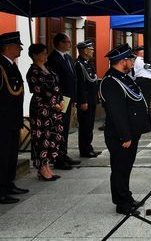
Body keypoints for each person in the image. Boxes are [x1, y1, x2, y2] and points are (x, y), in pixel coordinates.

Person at [100, 44, 151, 216]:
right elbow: (117, 113)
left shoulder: (124, 77)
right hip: (120, 135)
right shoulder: (110, 82)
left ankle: (126, 197)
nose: (132, 61)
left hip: (131, 131)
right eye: (130, 59)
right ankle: (122, 203)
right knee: (120, 169)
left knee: (126, 167)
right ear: (122, 61)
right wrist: (125, 136)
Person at [26, 43, 65, 181]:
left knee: (52, 137)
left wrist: (61, 101)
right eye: (43, 53)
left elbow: (57, 86)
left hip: (54, 109)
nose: (45, 55)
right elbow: (41, 91)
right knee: (41, 138)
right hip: (41, 109)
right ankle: (41, 168)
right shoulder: (33, 71)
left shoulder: (48, 68)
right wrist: (53, 103)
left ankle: (47, 165)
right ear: (35, 55)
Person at [0, 31, 28, 204]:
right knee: (2, 156)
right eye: (18, 46)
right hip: (2, 121)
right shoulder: (1, 66)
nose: (20, 49)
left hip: (13, 119)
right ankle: (1, 190)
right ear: (8, 47)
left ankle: (9, 183)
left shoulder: (11, 65)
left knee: (11, 155)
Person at [46, 33, 79, 170]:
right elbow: (55, 81)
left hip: (68, 98)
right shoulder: (53, 59)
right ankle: (58, 158)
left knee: (65, 127)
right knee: (59, 127)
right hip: (61, 98)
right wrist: (59, 99)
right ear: (60, 43)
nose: (70, 44)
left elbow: (73, 79)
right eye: (67, 42)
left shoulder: (68, 57)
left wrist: (74, 98)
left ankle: (63, 153)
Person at [74, 40, 100, 158]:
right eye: (91, 49)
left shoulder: (88, 63)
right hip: (86, 101)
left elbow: (93, 81)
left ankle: (89, 147)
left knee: (89, 126)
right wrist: (83, 101)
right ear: (84, 51)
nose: (93, 51)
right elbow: (80, 85)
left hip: (92, 99)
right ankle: (84, 150)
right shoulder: (79, 64)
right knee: (84, 126)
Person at [133, 46, 151, 116]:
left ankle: (144, 113)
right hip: (144, 81)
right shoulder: (141, 60)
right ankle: (144, 115)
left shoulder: (140, 59)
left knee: (146, 98)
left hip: (144, 80)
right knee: (146, 98)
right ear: (141, 53)